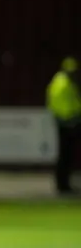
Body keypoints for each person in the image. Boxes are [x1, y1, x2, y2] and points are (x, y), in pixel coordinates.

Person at [46, 56, 81, 195]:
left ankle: (64, 184)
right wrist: (70, 118)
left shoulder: (60, 81)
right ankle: (63, 185)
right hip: (67, 122)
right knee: (66, 154)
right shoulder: (64, 83)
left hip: (66, 120)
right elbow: (63, 104)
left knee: (66, 154)